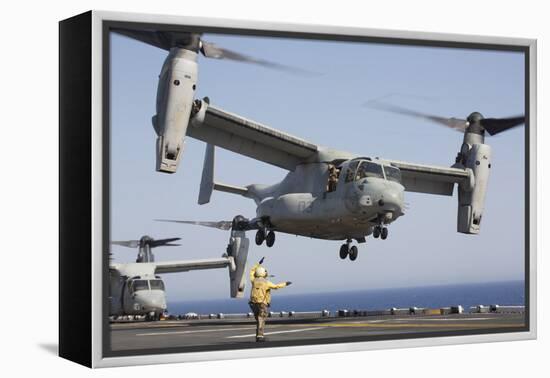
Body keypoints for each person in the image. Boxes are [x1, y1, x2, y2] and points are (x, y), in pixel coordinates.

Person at [248, 257, 292, 342]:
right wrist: (285, 284)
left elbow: (251, 271)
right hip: (262, 304)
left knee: (258, 319)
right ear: (263, 273)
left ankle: (258, 336)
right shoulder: (266, 282)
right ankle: (260, 337)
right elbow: (276, 287)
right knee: (261, 319)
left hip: (253, 304)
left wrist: (258, 263)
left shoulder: (253, 281)